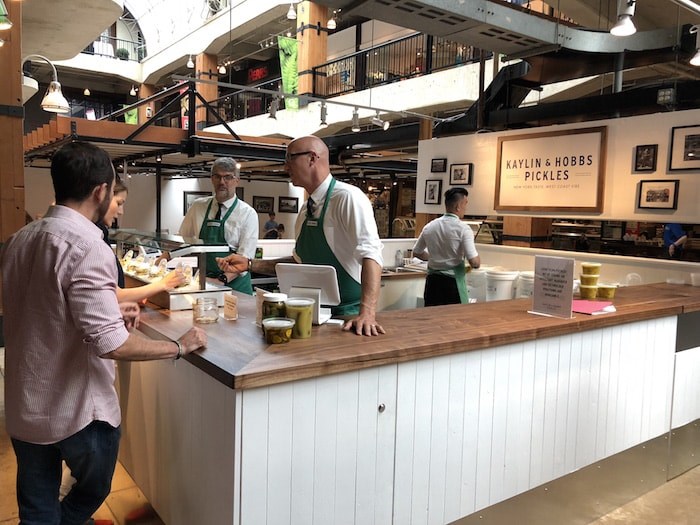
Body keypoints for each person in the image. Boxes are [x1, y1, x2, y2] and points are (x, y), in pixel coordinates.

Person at [0, 142, 207, 525]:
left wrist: (107, 309)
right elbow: (112, 343)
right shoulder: (87, 247)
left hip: (25, 403)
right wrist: (178, 347)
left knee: (36, 505)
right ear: (101, 191)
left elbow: (42, 309)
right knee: (93, 489)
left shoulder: (18, 241)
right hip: (77, 410)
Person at [218, 135, 385, 336]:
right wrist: (250, 264)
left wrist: (367, 313)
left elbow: (372, 255)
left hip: (348, 317)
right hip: (311, 314)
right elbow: (298, 262)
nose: (285, 167)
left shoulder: (347, 198)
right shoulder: (306, 209)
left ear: (312, 158)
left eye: (290, 158)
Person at [179, 157, 258, 294]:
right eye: (217, 177)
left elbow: (244, 258)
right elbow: (182, 241)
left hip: (235, 287)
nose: (222, 182)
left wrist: (221, 280)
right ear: (211, 179)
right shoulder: (198, 206)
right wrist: (165, 258)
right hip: (204, 282)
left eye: (227, 177)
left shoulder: (248, 214)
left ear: (237, 181)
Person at [100, 177, 186, 301]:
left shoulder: (100, 233)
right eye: (119, 203)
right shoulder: (94, 240)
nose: (121, 212)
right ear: (101, 196)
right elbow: (113, 295)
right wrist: (163, 284)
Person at [412, 187, 480, 306]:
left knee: (432, 319)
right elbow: (474, 262)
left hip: (432, 283)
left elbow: (417, 252)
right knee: (454, 320)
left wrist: (434, 258)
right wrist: (477, 262)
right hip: (452, 284)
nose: (466, 207)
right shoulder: (463, 229)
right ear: (458, 206)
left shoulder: (429, 226)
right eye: (465, 203)